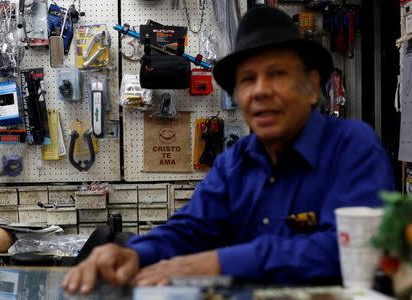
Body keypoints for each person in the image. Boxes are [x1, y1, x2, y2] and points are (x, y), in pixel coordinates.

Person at [63, 5, 395, 294]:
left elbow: (350, 249)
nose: (260, 91)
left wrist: (221, 262)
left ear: (311, 87)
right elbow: (190, 228)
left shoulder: (352, 146)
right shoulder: (234, 163)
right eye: (247, 80)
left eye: (276, 74)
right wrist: (137, 252)